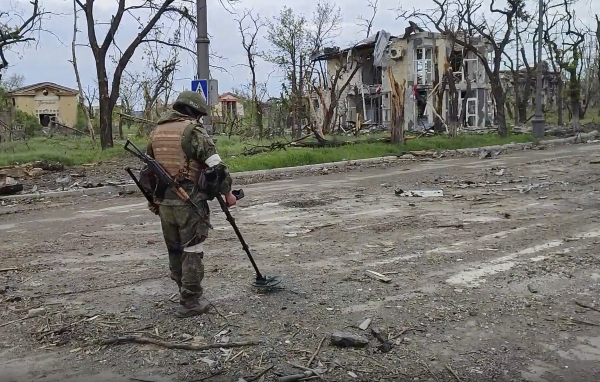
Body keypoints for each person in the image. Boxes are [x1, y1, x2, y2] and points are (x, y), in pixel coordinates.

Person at [142, 91, 237, 318]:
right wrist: (228, 193)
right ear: (193, 112)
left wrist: (153, 200)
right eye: (199, 115)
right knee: (192, 249)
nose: (199, 120)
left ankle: (183, 290)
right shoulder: (192, 131)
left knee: (174, 249)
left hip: (165, 202)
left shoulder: (157, 132)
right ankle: (191, 300)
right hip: (189, 201)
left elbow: (147, 171)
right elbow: (216, 166)